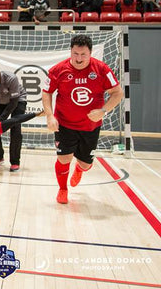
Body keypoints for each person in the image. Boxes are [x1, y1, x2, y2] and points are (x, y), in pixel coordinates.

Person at [42, 34, 124, 204]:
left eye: (83, 55)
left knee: (86, 164)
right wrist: (50, 115)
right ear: (70, 52)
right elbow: (47, 92)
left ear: (90, 53)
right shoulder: (58, 70)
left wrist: (103, 110)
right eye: (75, 54)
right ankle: (63, 189)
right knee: (64, 158)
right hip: (64, 123)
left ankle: (80, 169)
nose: (79, 59)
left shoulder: (102, 69)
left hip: (90, 126)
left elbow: (118, 93)